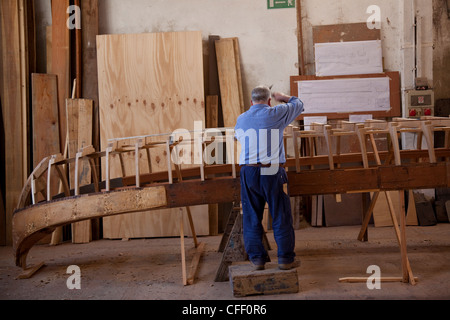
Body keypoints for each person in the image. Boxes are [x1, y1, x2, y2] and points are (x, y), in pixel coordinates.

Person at [234, 85, 304, 271]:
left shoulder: (241, 118)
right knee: (280, 214)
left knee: (251, 216)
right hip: (272, 171)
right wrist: (283, 96)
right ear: (269, 101)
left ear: (251, 102)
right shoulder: (276, 113)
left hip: (249, 171)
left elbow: (238, 138)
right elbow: (299, 104)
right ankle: (285, 260)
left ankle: (257, 260)